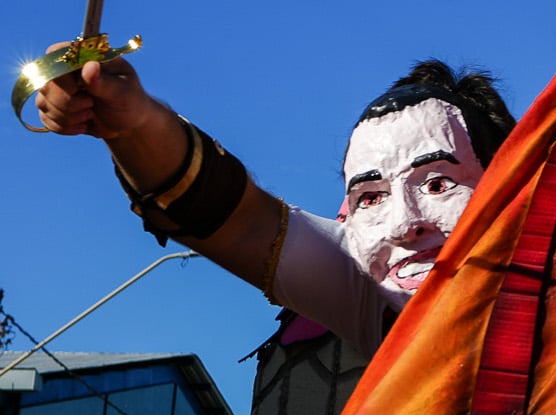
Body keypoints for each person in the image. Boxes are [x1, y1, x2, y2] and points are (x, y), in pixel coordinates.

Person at [33, 56, 514, 357]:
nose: (403, 225)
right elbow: (229, 216)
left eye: (437, 184)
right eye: (371, 198)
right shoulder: (369, 296)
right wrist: (129, 121)